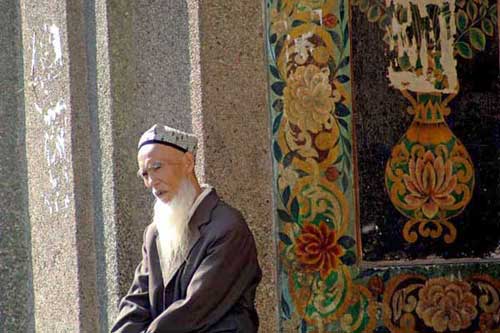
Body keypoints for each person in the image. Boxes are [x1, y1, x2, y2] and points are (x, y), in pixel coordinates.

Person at [111, 124, 262, 333]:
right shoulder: (155, 234)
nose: (151, 182)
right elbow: (137, 302)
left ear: (188, 162)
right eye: (145, 174)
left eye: (157, 167)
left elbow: (195, 308)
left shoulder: (227, 227)